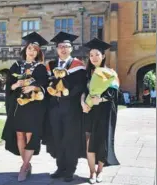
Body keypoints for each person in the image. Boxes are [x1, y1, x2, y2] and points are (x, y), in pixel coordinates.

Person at [2, 32, 48, 182]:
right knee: (19, 134)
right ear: (25, 49)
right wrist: (16, 84)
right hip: (18, 106)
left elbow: (44, 85)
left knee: (30, 135)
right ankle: (26, 165)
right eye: (29, 48)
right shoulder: (16, 66)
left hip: (34, 106)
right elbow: (9, 86)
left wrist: (33, 88)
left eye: (35, 49)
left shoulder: (41, 67)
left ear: (38, 52)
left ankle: (24, 167)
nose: (31, 51)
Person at [43, 31, 87, 182]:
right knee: (57, 137)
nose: (63, 49)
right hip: (54, 108)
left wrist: (66, 94)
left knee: (70, 138)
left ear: (71, 49)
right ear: (56, 49)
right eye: (60, 46)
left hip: (71, 108)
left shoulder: (78, 65)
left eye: (66, 46)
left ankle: (70, 170)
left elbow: (81, 85)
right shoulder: (51, 65)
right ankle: (60, 167)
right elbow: (46, 84)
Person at [81, 38, 120, 184]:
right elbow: (83, 91)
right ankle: (91, 172)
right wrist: (82, 103)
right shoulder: (87, 74)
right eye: (91, 55)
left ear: (103, 56)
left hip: (104, 110)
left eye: (97, 54)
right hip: (89, 111)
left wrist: (101, 100)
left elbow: (114, 93)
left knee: (101, 141)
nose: (94, 57)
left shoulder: (110, 73)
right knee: (89, 141)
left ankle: (100, 172)